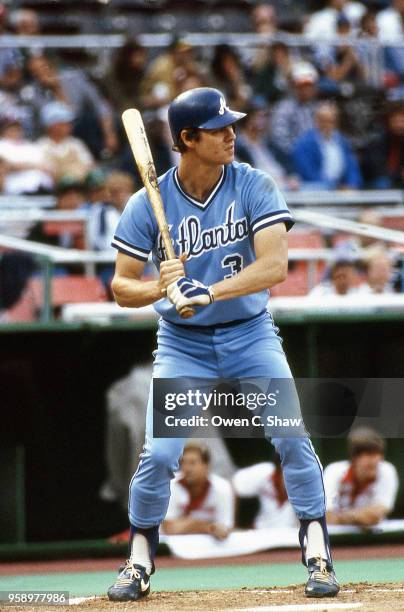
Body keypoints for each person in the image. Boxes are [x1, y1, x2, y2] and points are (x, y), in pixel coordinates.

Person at [108, 87, 339, 602]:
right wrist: (162, 287)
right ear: (187, 139)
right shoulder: (148, 201)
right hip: (182, 343)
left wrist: (206, 289)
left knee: (292, 438)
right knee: (160, 453)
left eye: (230, 124)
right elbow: (122, 286)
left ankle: (318, 550)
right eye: (216, 129)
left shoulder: (254, 184)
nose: (231, 133)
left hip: (250, 332)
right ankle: (140, 556)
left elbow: (274, 267)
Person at [324, 427, 399, 527]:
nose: (375, 460)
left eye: (378, 454)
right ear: (355, 458)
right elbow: (327, 516)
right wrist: (362, 516)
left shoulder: (386, 470)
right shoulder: (334, 471)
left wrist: (347, 516)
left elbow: (378, 513)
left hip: (370, 539)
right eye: (369, 454)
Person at [162, 442, 234, 539]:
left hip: (208, 545)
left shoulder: (222, 488)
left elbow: (225, 529)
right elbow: (169, 528)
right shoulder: (170, 486)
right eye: (183, 462)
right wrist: (207, 527)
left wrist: (186, 524)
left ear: (206, 465)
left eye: (192, 463)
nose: (187, 468)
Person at [292, 101, 362, 190]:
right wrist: (334, 187)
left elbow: (352, 167)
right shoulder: (304, 143)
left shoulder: (342, 141)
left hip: (341, 189)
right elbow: (309, 174)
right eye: (323, 121)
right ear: (316, 120)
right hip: (315, 190)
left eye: (331, 121)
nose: (327, 125)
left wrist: (352, 185)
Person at [232, 457, 297, 529]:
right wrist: (232, 524)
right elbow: (235, 485)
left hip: (292, 535)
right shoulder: (264, 472)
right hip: (262, 532)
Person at [270, 62, 319, 156]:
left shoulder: (316, 107)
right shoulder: (284, 108)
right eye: (301, 86)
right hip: (293, 157)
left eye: (309, 86)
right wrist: (300, 154)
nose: (306, 90)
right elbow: (279, 139)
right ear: (294, 87)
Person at [37, 101, 94, 182]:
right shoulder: (41, 145)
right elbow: (49, 172)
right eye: (64, 123)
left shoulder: (76, 143)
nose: (69, 126)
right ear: (52, 126)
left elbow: (89, 165)